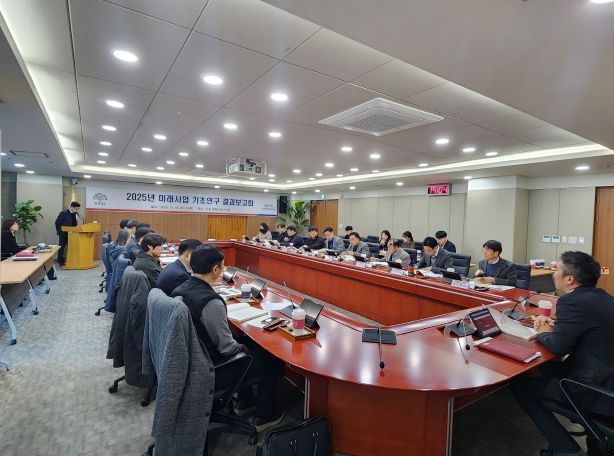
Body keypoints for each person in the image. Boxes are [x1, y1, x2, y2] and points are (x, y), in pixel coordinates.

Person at [511, 251, 614, 456]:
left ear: (569, 279)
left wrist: (542, 332)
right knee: (543, 369)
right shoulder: (604, 297)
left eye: (557, 269)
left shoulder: (571, 301)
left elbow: (558, 347)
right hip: (606, 376)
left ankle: (569, 451)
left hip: (594, 389)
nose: (553, 273)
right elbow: (590, 330)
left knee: (520, 388)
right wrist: (558, 326)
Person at [172, 245, 284, 431]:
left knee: (246, 343)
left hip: (192, 360)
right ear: (215, 269)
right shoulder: (211, 302)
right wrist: (242, 347)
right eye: (223, 266)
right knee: (270, 358)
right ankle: (265, 416)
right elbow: (227, 348)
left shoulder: (180, 289)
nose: (224, 269)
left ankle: (245, 402)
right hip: (212, 367)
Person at [54, 201, 82, 266]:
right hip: (63, 234)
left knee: (71, 247)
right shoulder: (64, 213)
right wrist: (59, 232)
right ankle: (60, 261)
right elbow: (57, 222)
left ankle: (70, 260)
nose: (77, 210)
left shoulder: (76, 213)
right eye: (76, 208)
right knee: (62, 248)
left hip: (72, 234)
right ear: (72, 207)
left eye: (77, 209)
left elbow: (77, 222)